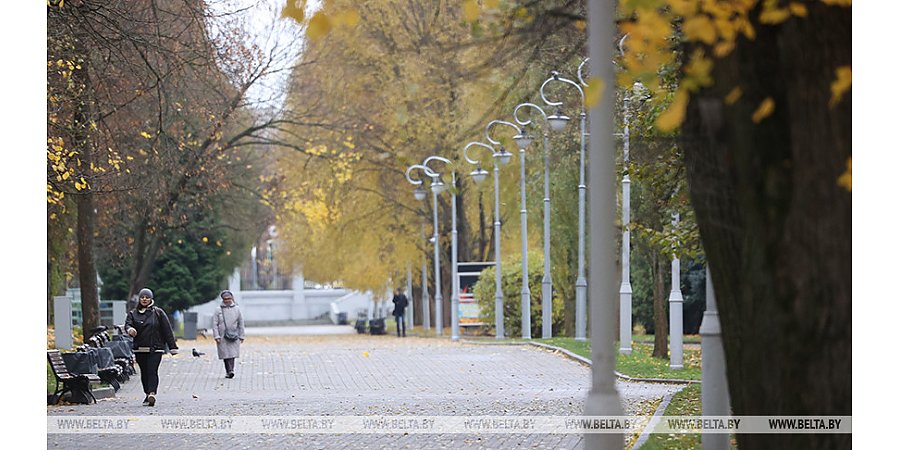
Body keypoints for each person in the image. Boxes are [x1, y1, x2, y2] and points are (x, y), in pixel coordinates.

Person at [125, 288, 178, 407]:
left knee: (152, 370)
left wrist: (172, 347)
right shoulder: (133, 314)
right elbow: (128, 324)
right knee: (144, 372)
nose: (144, 299)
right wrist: (130, 330)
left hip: (156, 348)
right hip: (140, 348)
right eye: (142, 297)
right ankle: (147, 393)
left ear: (151, 299)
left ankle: (152, 393)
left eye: (147, 297)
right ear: (139, 299)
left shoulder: (158, 313)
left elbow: (167, 330)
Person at [213, 290, 244, 378]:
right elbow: (214, 324)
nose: (227, 300)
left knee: (232, 354)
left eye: (229, 298)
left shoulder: (237, 309)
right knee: (225, 354)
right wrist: (216, 336)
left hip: (234, 334)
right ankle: (228, 370)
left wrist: (242, 335)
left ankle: (231, 370)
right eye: (225, 299)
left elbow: (241, 322)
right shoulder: (218, 310)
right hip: (222, 335)